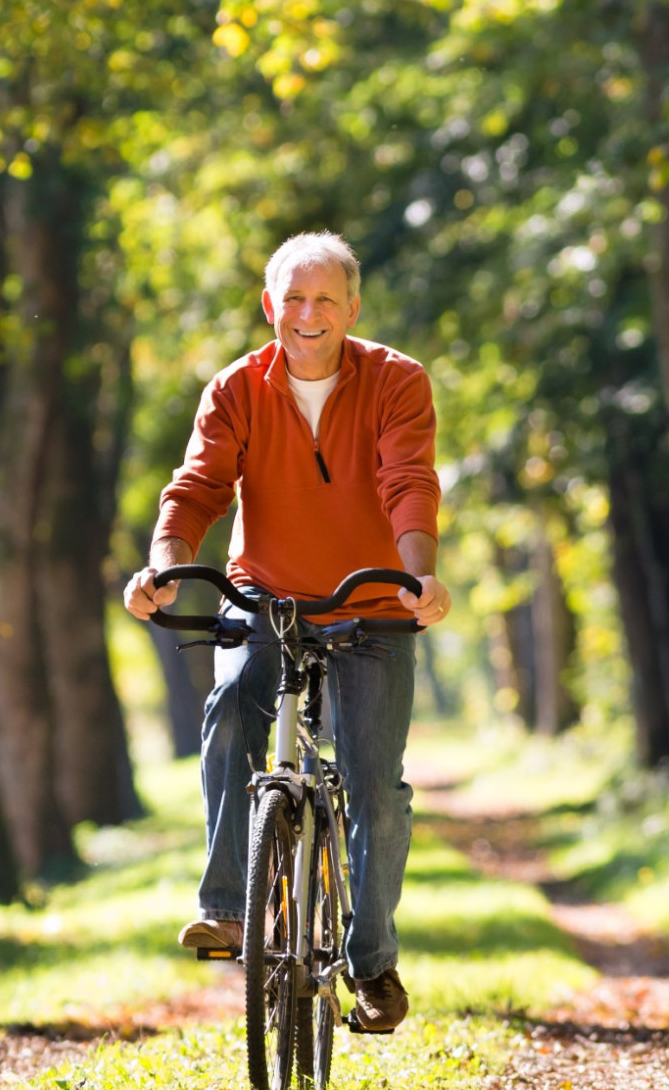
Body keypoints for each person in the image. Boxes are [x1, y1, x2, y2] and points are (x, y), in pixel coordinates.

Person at [124, 231, 451, 1034]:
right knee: (232, 707)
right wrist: (165, 564)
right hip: (263, 594)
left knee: (376, 788)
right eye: (293, 300)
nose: (308, 315)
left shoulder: (396, 381)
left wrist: (419, 575)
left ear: (352, 309)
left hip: (373, 599)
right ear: (271, 305)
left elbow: (407, 479)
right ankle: (228, 911)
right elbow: (196, 489)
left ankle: (371, 962)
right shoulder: (236, 387)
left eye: (325, 301)